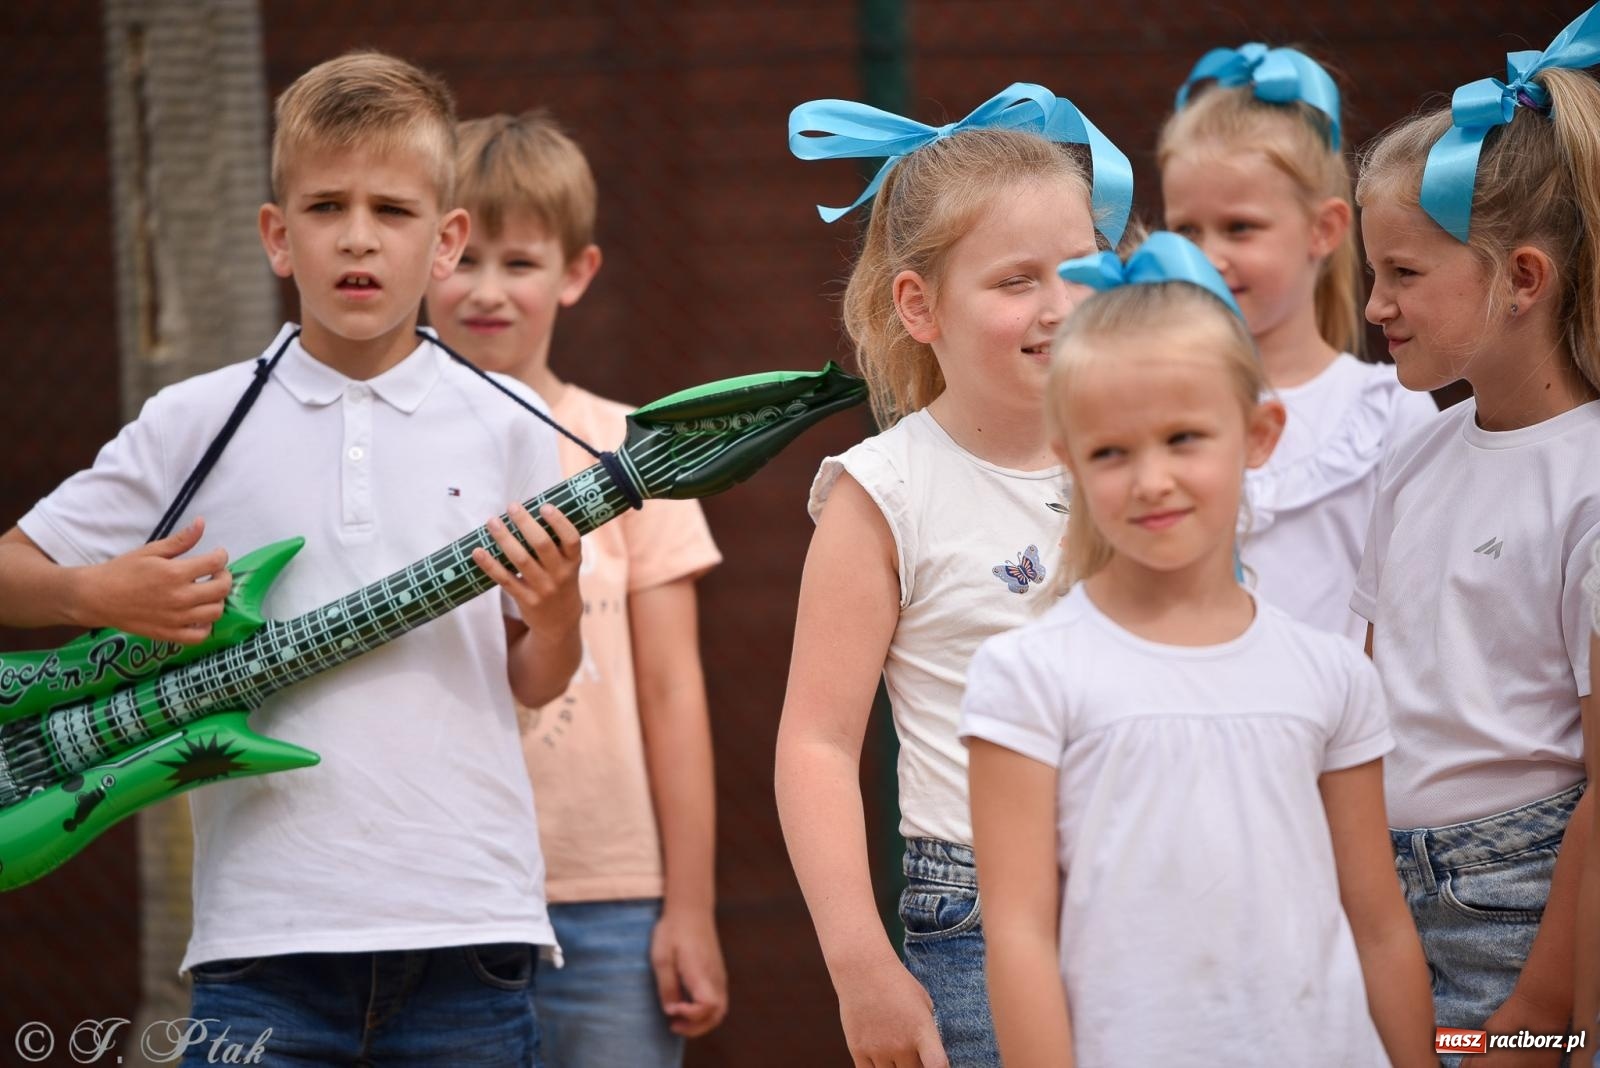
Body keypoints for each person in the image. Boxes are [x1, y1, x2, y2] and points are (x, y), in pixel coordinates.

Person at [0, 51, 581, 1064]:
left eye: (393, 211)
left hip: (469, 928)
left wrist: (562, 615)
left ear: (446, 242)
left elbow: (536, 675)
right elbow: (14, 567)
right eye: (325, 206)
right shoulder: (195, 420)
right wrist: (95, 591)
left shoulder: (512, 423)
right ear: (278, 234)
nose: (358, 236)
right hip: (260, 937)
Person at [964, 232, 1435, 1068]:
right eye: (1111, 451)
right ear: (1068, 460)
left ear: (1258, 435)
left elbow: (1379, 924)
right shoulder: (1027, 677)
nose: (1151, 479)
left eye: (1184, 438)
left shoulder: (1330, 674)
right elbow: (1020, 938)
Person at [774, 84, 1131, 1067]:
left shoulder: (1150, 452)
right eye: (1016, 279)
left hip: (1161, 890)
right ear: (919, 305)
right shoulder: (883, 492)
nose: (1056, 306)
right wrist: (860, 966)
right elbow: (815, 741)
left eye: (1079, 267)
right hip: (979, 917)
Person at [425, 109, 728, 1066]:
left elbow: (674, 691)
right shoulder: (384, 450)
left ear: (576, 273)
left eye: (519, 263)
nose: (487, 292)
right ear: (425, 253)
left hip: (610, 903)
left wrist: (689, 906)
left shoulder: (633, 453)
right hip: (439, 901)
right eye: (464, 259)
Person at [1356, 8, 1600, 1060]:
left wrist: (1545, 1010)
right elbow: (1362, 706)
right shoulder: (1411, 453)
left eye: (1404, 275)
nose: (1373, 306)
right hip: (1379, 915)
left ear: (1524, 281)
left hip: (1518, 919)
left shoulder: (1586, 483)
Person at [1159, 42, 1437, 641]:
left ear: (1323, 228)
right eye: (1186, 229)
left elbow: (1414, 617)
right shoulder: (1148, 400)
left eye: (1240, 227)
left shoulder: (1387, 411)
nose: (1209, 256)